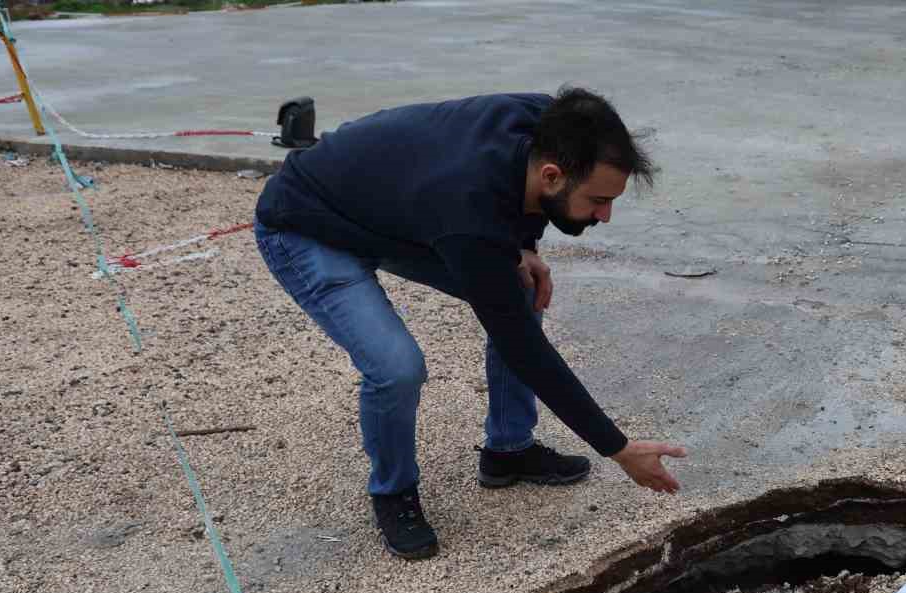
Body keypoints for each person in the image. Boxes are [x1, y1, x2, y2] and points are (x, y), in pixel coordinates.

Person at [253, 86, 687, 560]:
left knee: (521, 286)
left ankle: (508, 450)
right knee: (397, 366)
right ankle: (393, 491)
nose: (605, 215)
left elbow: (522, 207)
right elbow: (523, 347)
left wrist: (524, 246)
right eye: (598, 200)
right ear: (551, 174)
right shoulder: (468, 213)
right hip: (304, 226)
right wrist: (618, 448)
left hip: (390, 211)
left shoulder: (552, 123)